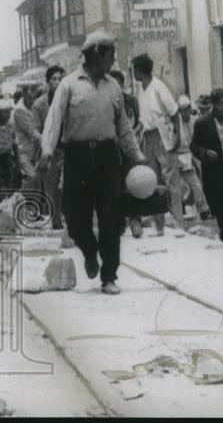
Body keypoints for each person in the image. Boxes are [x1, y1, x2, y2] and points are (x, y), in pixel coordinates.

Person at [39, 31, 146, 296]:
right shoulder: (68, 85)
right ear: (97, 53)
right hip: (77, 157)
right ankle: (89, 250)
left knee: (111, 215)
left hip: (108, 157)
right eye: (111, 54)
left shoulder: (113, 86)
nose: (113, 60)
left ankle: (109, 275)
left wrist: (138, 159)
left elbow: (124, 128)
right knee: (75, 217)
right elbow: (53, 121)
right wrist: (47, 150)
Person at [130, 53, 177, 238]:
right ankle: (160, 227)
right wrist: (136, 130)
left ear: (141, 70)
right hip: (147, 138)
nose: (133, 74)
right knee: (153, 181)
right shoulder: (141, 90)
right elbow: (144, 119)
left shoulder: (159, 87)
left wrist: (177, 138)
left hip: (163, 137)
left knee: (170, 179)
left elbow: (174, 113)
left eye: (134, 70)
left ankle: (177, 223)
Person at [190, 88, 223, 242]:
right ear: (214, 105)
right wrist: (205, 153)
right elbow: (194, 146)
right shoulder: (202, 122)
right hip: (213, 167)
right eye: (220, 104)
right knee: (216, 200)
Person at [167, 95, 212, 228]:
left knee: (196, 184)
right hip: (175, 155)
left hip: (188, 154)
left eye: (187, 110)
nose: (185, 113)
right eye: (182, 110)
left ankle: (203, 210)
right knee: (176, 187)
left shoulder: (193, 121)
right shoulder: (173, 122)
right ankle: (176, 212)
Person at [32, 65, 65, 229]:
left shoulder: (69, 100)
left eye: (60, 79)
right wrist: (45, 143)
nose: (57, 82)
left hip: (68, 149)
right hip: (50, 152)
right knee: (52, 189)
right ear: (47, 82)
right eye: (54, 79)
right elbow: (34, 130)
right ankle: (56, 220)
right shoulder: (39, 105)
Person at [13, 82, 42, 194]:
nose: (32, 100)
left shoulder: (31, 107)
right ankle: (21, 202)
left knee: (38, 184)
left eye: (34, 98)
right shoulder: (20, 110)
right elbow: (31, 131)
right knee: (32, 177)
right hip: (22, 152)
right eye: (29, 98)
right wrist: (47, 141)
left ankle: (32, 209)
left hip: (34, 152)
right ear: (23, 95)